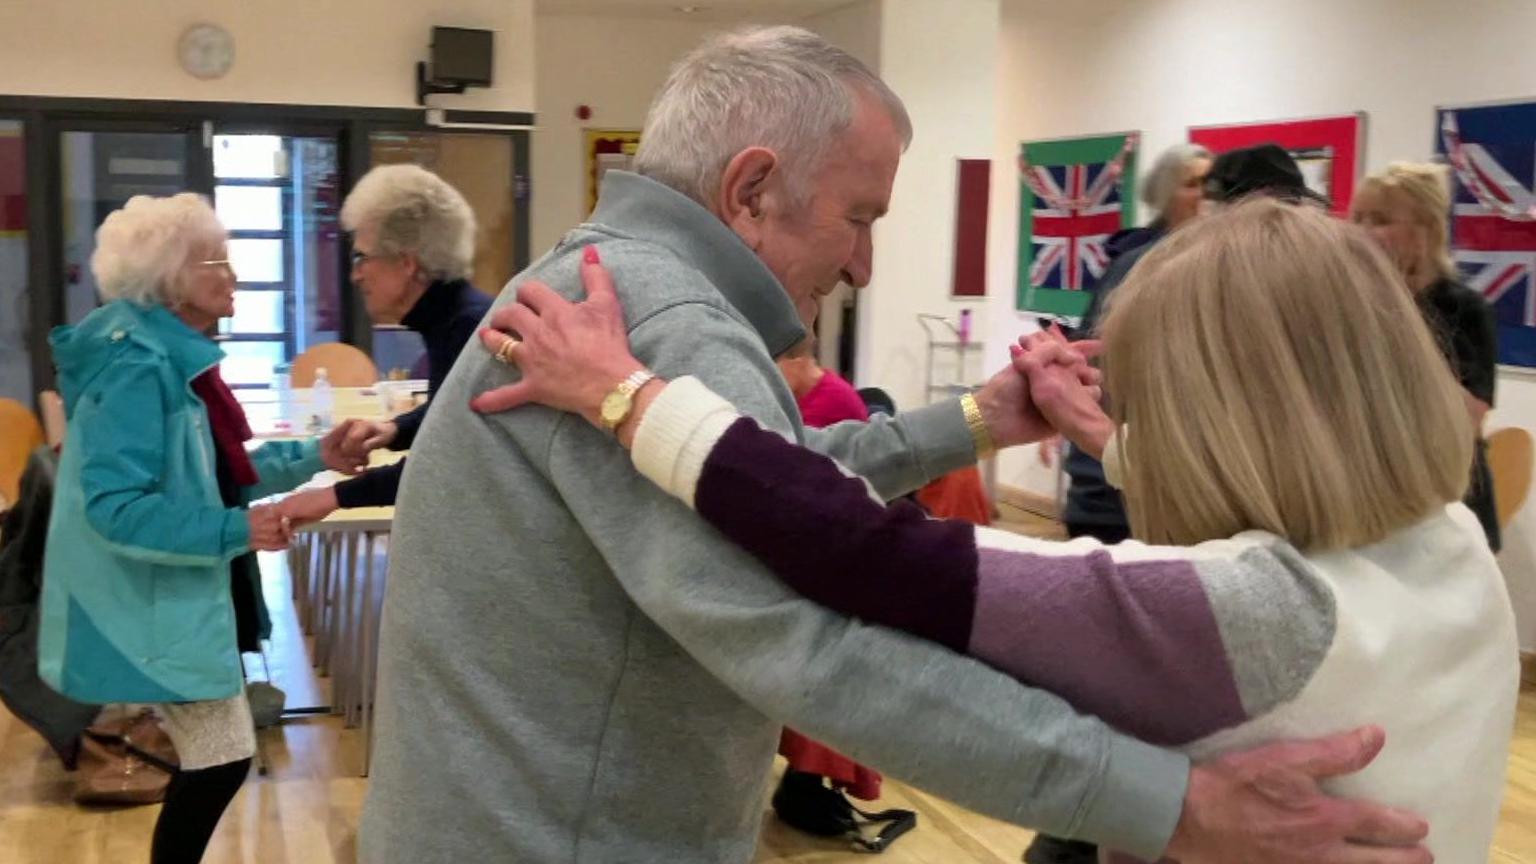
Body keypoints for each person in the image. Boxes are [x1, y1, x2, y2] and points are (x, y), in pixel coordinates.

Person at [360, 26, 1431, 864]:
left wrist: (977, 421)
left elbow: (766, 482)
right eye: (860, 218)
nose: (866, 265)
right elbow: (812, 639)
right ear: (751, 188)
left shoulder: (621, 281)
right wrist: (1175, 809)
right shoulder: (655, 319)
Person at [481, 198, 1518, 862]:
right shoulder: (1452, 545)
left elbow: (861, 550)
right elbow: (1289, 490)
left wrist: (626, 398)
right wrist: (1087, 432)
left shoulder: (1250, 612)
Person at [36, 193, 381, 863]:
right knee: (222, 756)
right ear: (168, 278)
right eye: (213, 262)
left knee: (221, 755)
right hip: (146, 601)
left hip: (168, 595)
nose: (233, 276)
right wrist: (236, 529)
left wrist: (315, 456)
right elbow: (116, 507)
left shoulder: (168, 357)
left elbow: (213, 472)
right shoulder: (138, 367)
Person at [275, 164, 492, 525]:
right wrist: (393, 429)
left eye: (362, 257)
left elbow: (446, 465)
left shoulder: (467, 330)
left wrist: (332, 497)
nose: (355, 274)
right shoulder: (456, 319)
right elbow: (452, 420)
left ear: (406, 262)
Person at [1055, 144, 1212, 554]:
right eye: (1192, 183)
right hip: (1116, 496)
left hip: (1170, 488)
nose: (1204, 194)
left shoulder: (1205, 266)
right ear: (1165, 194)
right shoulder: (1138, 266)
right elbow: (1095, 360)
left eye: (1210, 183)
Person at [1351, 162, 1500, 550]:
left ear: (1426, 230)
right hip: (1371, 501)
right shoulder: (1353, 307)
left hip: (1447, 501)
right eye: (1357, 218)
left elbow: (1467, 416)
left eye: (1380, 220)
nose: (1362, 232)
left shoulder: (1464, 309)